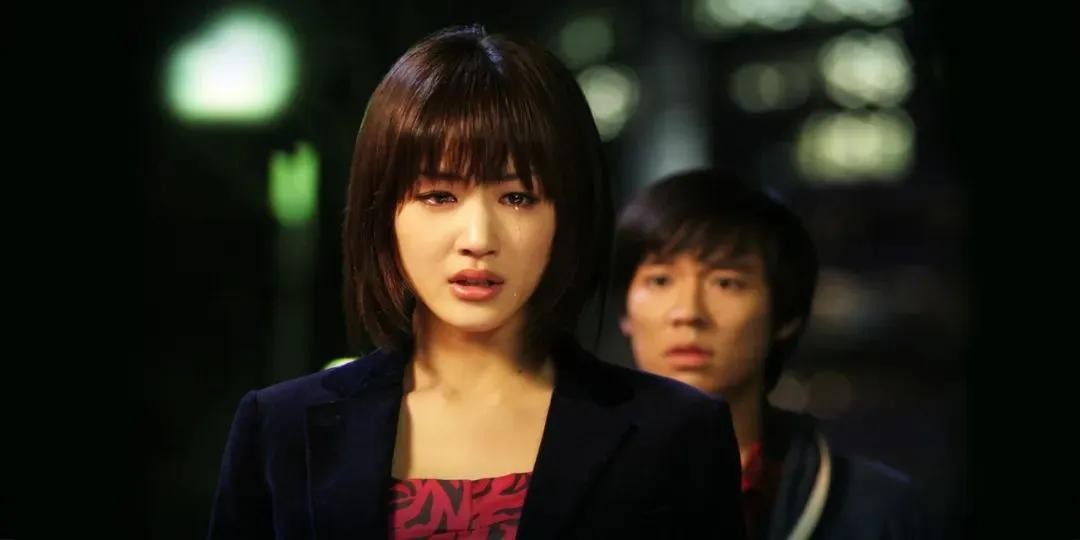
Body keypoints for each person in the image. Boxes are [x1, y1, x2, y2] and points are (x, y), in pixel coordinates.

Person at [208, 26, 744, 539]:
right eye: (439, 196)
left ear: (569, 216)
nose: (478, 238)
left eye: (518, 197)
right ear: (383, 211)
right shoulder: (280, 426)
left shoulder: (676, 433)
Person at [613, 168, 928, 539]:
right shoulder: (569, 484)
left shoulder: (877, 511)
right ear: (625, 311)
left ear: (784, 316)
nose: (688, 312)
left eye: (726, 282)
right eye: (660, 280)